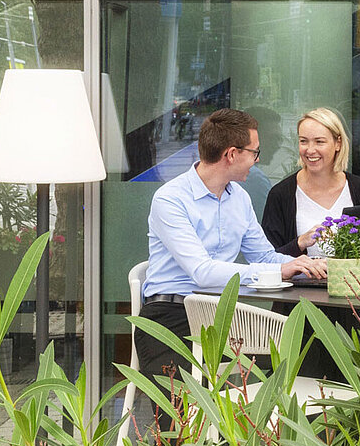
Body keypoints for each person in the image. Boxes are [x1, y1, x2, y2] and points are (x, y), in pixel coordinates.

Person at [136, 108, 323, 398]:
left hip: (221, 316)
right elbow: (202, 272)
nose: (257, 160)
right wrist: (277, 271)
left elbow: (264, 257)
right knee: (182, 422)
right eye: (255, 152)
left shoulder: (240, 197)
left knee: (290, 363)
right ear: (232, 154)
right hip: (171, 316)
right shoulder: (170, 200)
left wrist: (306, 265)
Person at [260, 107, 360, 257]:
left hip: (351, 280)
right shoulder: (281, 194)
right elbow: (267, 259)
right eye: (303, 141)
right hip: (299, 281)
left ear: (338, 143)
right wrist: (300, 243)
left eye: (319, 142)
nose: (310, 150)